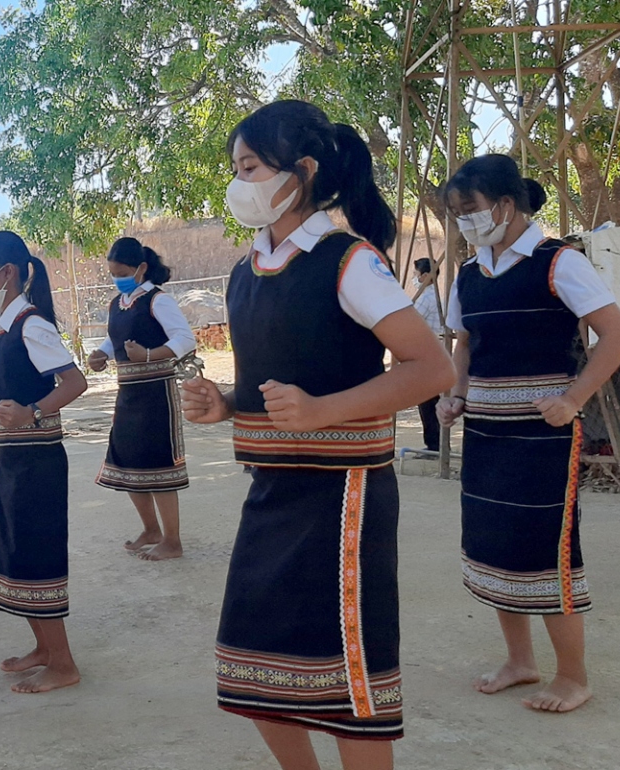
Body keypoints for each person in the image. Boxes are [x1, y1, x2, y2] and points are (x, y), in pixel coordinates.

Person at [180, 100, 454, 769]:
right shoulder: (245, 272)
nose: (238, 182)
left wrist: (323, 411)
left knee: (350, 695)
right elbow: (282, 380)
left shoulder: (347, 261)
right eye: (236, 169)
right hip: (272, 492)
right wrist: (225, 402)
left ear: (300, 171)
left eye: (249, 167)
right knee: (255, 671)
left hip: (344, 501)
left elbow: (431, 368)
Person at [436, 154, 620, 714]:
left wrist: (573, 399)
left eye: (469, 209)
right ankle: (520, 662)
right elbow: (466, 344)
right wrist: (457, 395)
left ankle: (573, 676)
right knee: (493, 544)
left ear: (503, 205)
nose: (463, 221)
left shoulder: (559, 263)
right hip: (487, 434)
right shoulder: (471, 274)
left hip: (544, 436)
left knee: (548, 551)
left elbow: (617, 335)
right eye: (455, 214)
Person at [0, 230, 89, 694]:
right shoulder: (2, 323)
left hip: (38, 462)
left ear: (6, 273)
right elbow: (11, 389)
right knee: (16, 553)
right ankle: (44, 649)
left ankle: (64, 663)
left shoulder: (31, 324)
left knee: (37, 558)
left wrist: (34, 412)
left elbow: (75, 383)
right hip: (15, 460)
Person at [88, 237, 197, 561]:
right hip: (127, 393)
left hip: (155, 394)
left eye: (121, 272)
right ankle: (150, 529)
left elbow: (185, 339)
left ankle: (172, 540)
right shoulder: (116, 303)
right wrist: (101, 354)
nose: (116, 278)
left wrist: (150, 354)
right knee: (130, 461)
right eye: (112, 273)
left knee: (158, 463)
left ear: (142, 269)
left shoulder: (157, 300)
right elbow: (114, 338)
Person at [411, 258, 446, 452]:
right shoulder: (437, 296)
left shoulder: (425, 298)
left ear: (425, 276)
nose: (414, 279)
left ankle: (434, 443)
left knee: (426, 401)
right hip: (436, 353)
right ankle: (436, 442)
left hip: (426, 355)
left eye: (416, 275)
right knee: (430, 400)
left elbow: (410, 322)